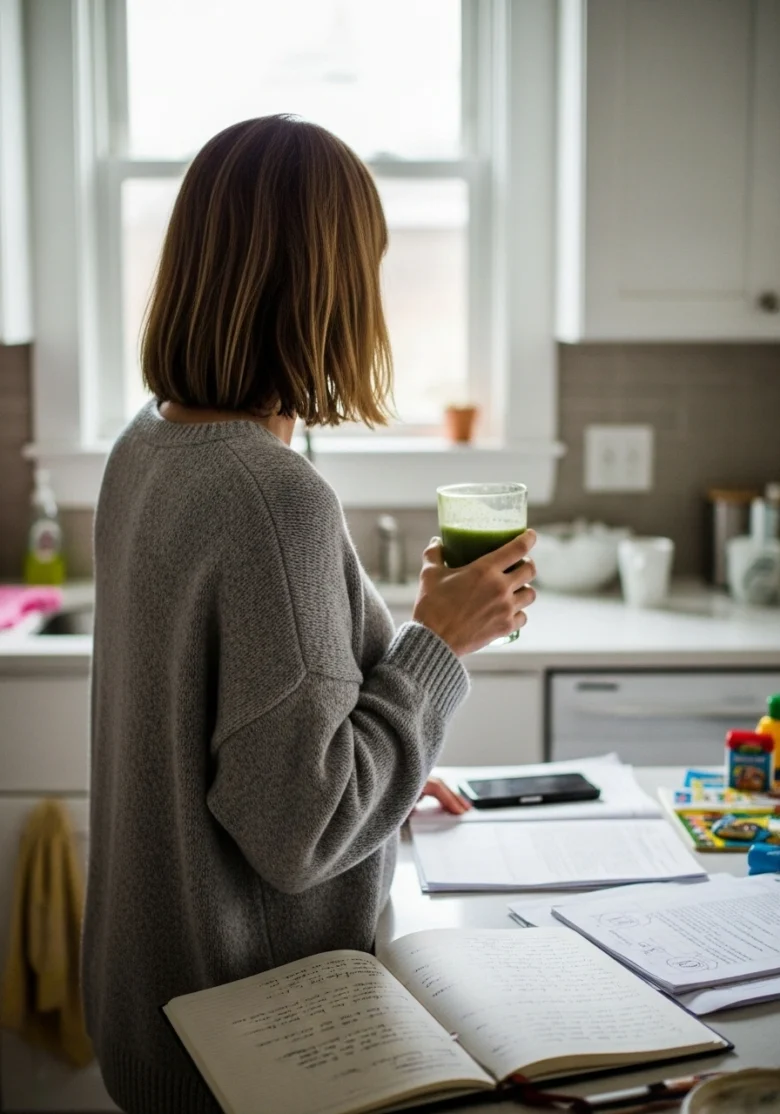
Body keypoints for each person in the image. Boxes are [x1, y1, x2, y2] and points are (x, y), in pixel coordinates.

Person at [82, 114, 537, 1114]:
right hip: (255, 1051)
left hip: (149, 1017)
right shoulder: (269, 497)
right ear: (327, 286)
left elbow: (246, 742)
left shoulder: (143, 448)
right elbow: (304, 828)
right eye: (365, 265)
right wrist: (438, 645)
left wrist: (395, 764)